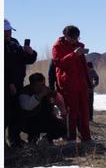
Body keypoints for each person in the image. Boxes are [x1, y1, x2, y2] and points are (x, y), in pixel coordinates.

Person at [52, 25, 92, 143]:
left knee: (84, 111)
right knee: (71, 112)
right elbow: (59, 64)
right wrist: (73, 55)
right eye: (73, 37)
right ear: (65, 36)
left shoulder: (79, 46)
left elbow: (84, 67)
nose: (75, 40)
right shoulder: (57, 46)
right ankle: (71, 138)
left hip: (81, 83)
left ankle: (86, 137)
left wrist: (88, 82)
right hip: (68, 84)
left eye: (77, 37)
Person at [4, 19, 38, 148]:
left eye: (9, 31)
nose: (8, 34)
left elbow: (27, 60)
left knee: (15, 114)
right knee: (5, 114)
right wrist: (9, 82)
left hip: (17, 84)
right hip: (6, 85)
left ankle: (14, 139)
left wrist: (31, 53)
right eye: (5, 32)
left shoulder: (14, 43)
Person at [18, 73, 67, 143]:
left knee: (61, 128)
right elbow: (27, 106)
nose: (41, 88)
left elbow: (54, 103)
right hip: (29, 122)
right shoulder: (25, 92)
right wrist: (40, 95)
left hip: (45, 120)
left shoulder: (48, 91)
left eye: (43, 85)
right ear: (31, 85)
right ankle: (33, 140)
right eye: (37, 85)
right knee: (33, 123)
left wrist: (58, 114)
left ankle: (46, 140)